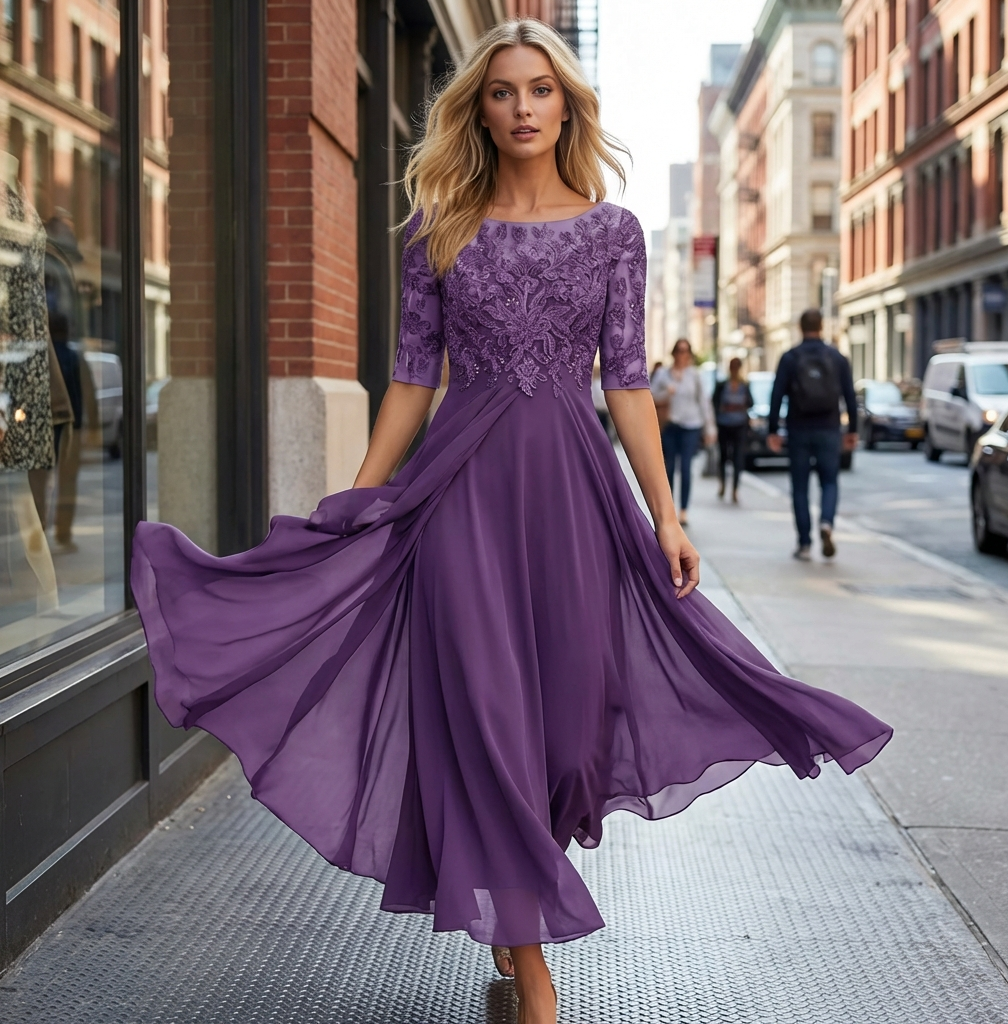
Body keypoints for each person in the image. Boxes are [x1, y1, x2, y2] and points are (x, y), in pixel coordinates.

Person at [131, 23, 891, 1024]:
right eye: (502, 92)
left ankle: (510, 899)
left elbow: (627, 383)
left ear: (567, 105)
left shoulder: (614, 233)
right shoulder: (438, 227)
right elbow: (412, 380)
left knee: (568, 744)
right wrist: (361, 497)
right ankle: (535, 981)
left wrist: (666, 516)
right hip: (460, 500)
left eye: (540, 89)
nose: (523, 106)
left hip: (574, 499)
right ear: (479, 111)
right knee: (486, 725)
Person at [767, 309, 858, 561]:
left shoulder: (790, 357)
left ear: (800, 327)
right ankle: (826, 522)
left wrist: (773, 430)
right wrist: (852, 430)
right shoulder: (837, 357)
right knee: (829, 482)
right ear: (822, 326)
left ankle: (804, 543)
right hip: (829, 428)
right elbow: (850, 396)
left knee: (800, 488)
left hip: (799, 429)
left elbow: (777, 395)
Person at [650, 339, 713, 525]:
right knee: (668, 468)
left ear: (690, 354)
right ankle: (669, 510)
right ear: (674, 353)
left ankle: (684, 510)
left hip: (691, 426)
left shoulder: (695, 375)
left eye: (685, 351)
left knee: (686, 468)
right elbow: (650, 396)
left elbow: (704, 402)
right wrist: (666, 393)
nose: (682, 354)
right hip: (670, 425)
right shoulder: (663, 374)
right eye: (679, 350)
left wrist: (710, 428)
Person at [712, 357, 753, 502]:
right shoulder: (722, 385)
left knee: (738, 458)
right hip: (724, 424)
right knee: (724, 456)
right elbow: (714, 402)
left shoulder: (744, 385)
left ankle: (735, 489)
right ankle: (723, 483)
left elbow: (751, 402)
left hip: (740, 425)